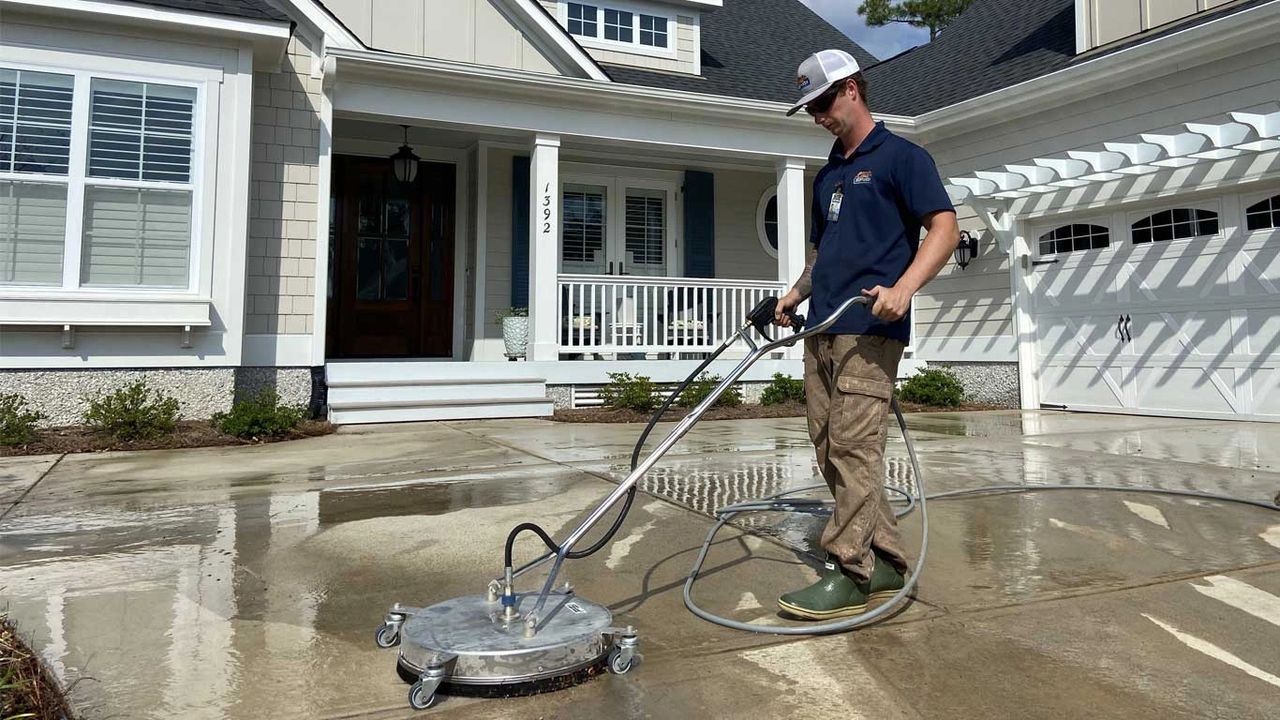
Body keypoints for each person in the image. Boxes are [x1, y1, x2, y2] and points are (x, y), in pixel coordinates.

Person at [773, 49, 960, 620]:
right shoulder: (828, 171)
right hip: (822, 328)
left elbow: (945, 228)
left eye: (823, 102)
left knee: (855, 449)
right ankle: (885, 560)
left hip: (870, 329)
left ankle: (849, 569)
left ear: (852, 89)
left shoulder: (903, 157)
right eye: (809, 108)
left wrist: (903, 289)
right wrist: (794, 295)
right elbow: (824, 251)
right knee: (829, 449)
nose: (818, 115)